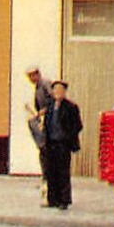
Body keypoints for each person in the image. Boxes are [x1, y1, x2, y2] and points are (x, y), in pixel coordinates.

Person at [42, 80, 83, 210]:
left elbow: (78, 125)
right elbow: (47, 123)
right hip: (51, 143)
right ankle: (52, 199)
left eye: (60, 90)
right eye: (55, 90)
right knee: (51, 172)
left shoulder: (71, 107)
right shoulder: (50, 106)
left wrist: (67, 136)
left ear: (64, 92)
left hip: (63, 144)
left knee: (63, 172)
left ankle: (64, 200)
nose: (57, 93)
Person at [24, 64, 54, 198]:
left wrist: (42, 112)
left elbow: (54, 101)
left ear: (37, 74)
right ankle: (45, 178)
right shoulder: (37, 87)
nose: (30, 79)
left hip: (50, 122)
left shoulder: (45, 84)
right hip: (43, 121)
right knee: (43, 151)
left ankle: (49, 180)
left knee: (46, 150)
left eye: (31, 76)